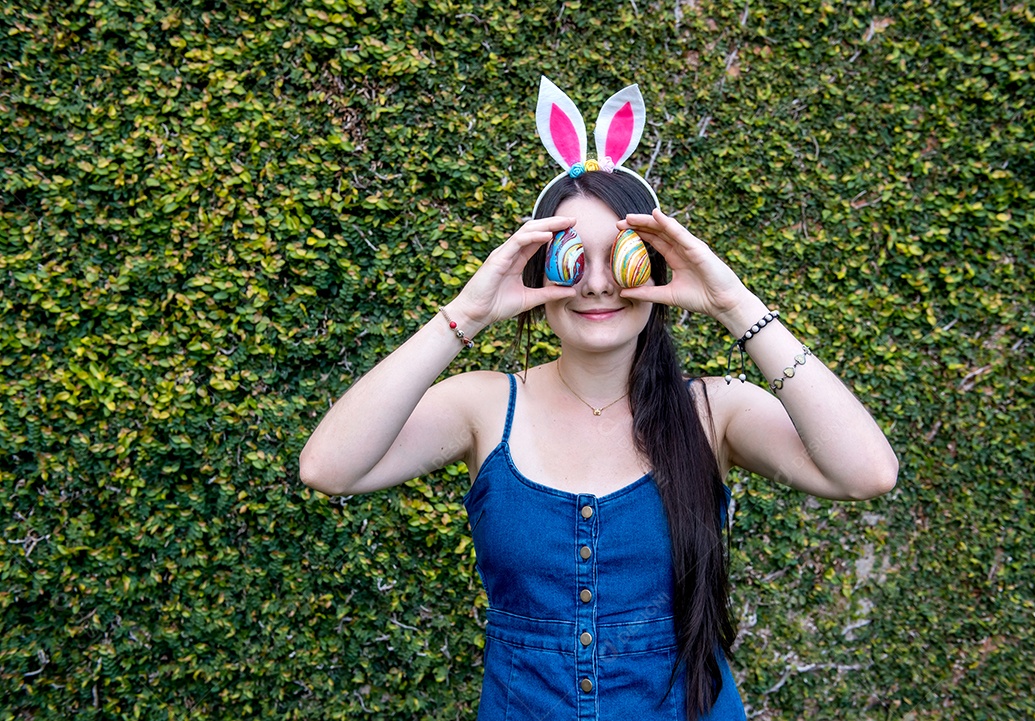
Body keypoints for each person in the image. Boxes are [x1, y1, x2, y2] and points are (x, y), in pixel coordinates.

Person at [299, 78, 898, 721]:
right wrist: (465, 316)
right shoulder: (484, 406)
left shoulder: (715, 411)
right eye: (571, 258)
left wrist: (735, 304)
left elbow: (867, 472)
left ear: (659, 268)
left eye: (625, 256)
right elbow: (329, 468)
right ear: (537, 268)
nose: (598, 284)